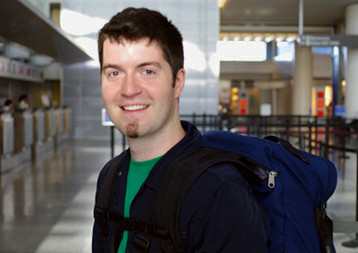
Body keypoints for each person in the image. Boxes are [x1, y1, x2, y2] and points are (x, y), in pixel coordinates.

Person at [92, 7, 268, 253]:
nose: (128, 89)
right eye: (114, 72)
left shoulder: (219, 192)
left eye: (147, 71)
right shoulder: (110, 176)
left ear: (178, 82)